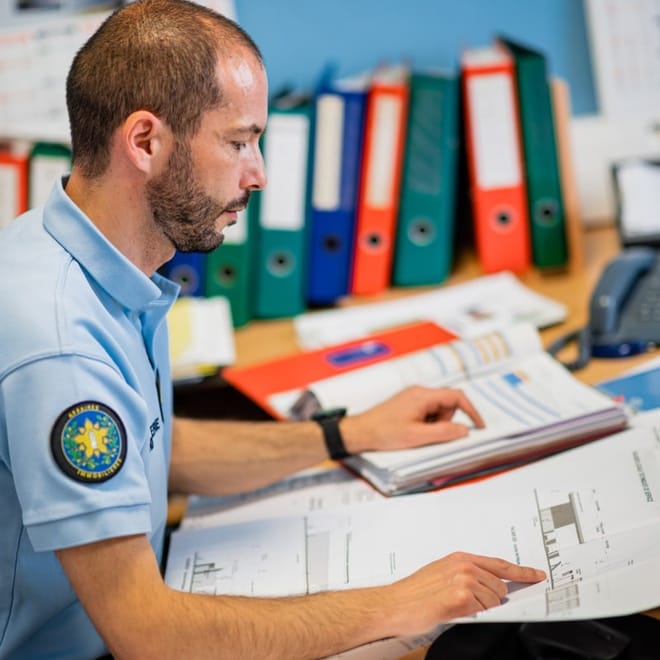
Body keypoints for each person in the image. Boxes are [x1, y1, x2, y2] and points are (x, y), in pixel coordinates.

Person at [0, 1, 546, 657]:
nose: (257, 174)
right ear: (144, 142)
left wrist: (346, 434)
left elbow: (155, 450)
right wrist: (400, 602)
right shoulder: (60, 343)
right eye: (238, 142)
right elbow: (146, 632)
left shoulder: (78, 250)